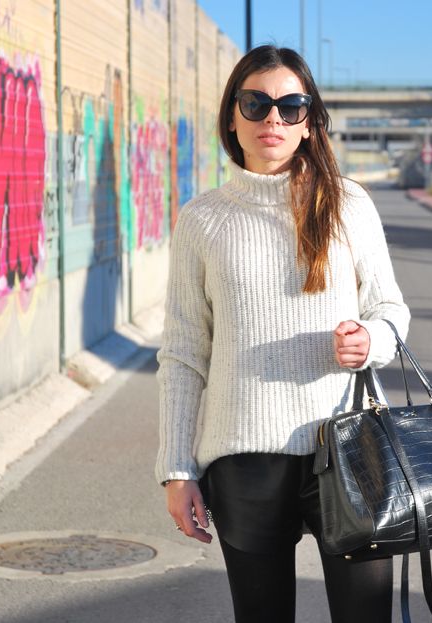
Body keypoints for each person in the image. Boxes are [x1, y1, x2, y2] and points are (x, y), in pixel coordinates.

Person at [155, 45, 410, 623]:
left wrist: (372, 339)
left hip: (348, 447)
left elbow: (391, 307)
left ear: (309, 122)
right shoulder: (202, 219)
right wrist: (177, 470)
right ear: (232, 117)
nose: (273, 117)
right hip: (244, 455)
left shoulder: (348, 204)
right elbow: (184, 353)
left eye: (291, 105)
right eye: (257, 103)